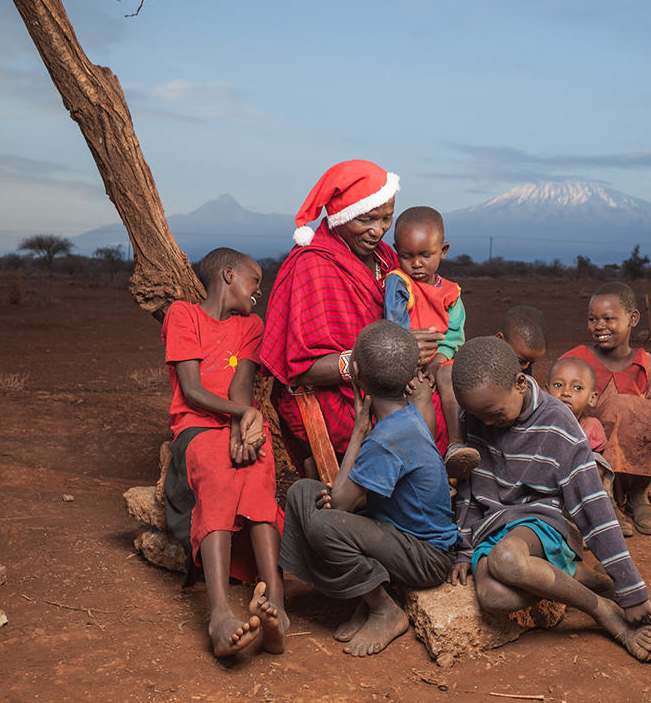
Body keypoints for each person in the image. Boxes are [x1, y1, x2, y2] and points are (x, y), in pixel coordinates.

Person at [447, 337, 651, 662]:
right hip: (491, 524)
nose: (487, 423)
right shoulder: (477, 413)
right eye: (479, 416)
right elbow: (468, 487)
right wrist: (464, 548)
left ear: (520, 383)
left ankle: (601, 609)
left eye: (494, 414)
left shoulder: (558, 425)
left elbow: (593, 509)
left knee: (506, 560)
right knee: (494, 597)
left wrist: (629, 585)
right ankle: (584, 580)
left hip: (540, 521)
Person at [279, 320, 458, 657]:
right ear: (409, 377)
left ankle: (384, 609)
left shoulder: (384, 440)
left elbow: (342, 505)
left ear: (355, 372)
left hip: (428, 556)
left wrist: (359, 433)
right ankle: (368, 592)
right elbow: (344, 496)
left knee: (323, 524)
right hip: (398, 531)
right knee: (302, 491)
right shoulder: (406, 412)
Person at [261, 160, 443, 475]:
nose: (378, 230)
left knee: (461, 400)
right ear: (340, 216)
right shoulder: (312, 266)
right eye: (366, 220)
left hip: (393, 384)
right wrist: (390, 354)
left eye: (386, 218)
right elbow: (300, 370)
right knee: (411, 427)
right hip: (336, 399)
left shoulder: (388, 257)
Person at [159, 247, 287, 658]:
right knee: (217, 474)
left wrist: (243, 428)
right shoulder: (183, 314)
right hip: (195, 426)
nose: (259, 293)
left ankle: (278, 610)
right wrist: (243, 414)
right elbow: (194, 391)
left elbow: (241, 388)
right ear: (227, 274)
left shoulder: (251, 325)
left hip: (235, 419)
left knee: (258, 471)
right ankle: (219, 616)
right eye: (255, 282)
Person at [559, 282, 651, 536]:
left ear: (633, 318)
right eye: (593, 319)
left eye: (609, 318)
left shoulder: (649, 366)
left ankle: (638, 497)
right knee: (615, 407)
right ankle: (606, 501)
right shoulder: (576, 360)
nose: (599, 326)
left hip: (636, 470)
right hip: (589, 465)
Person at [382, 206, 471, 477]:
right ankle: (426, 456)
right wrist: (412, 365)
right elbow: (395, 326)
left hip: (440, 358)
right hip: (406, 360)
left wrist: (439, 360)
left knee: (451, 377)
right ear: (396, 250)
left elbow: (455, 334)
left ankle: (456, 445)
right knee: (419, 391)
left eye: (425, 255)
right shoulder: (398, 283)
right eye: (407, 256)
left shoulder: (450, 292)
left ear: (443, 250)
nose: (416, 263)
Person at [547, 356, 627, 534]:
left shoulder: (592, 426)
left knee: (596, 464)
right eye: (558, 385)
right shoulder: (541, 424)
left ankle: (601, 515)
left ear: (592, 398)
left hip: (580, 487)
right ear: (546, 391)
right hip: (549, 488)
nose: (566, 392)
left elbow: (599, 458)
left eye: (577, 388)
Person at [495, 305, 548, 374]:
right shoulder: (480, 365)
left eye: (531, 363)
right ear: (500, 340)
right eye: (519, 361)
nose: (525, 367)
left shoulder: (523, 356)